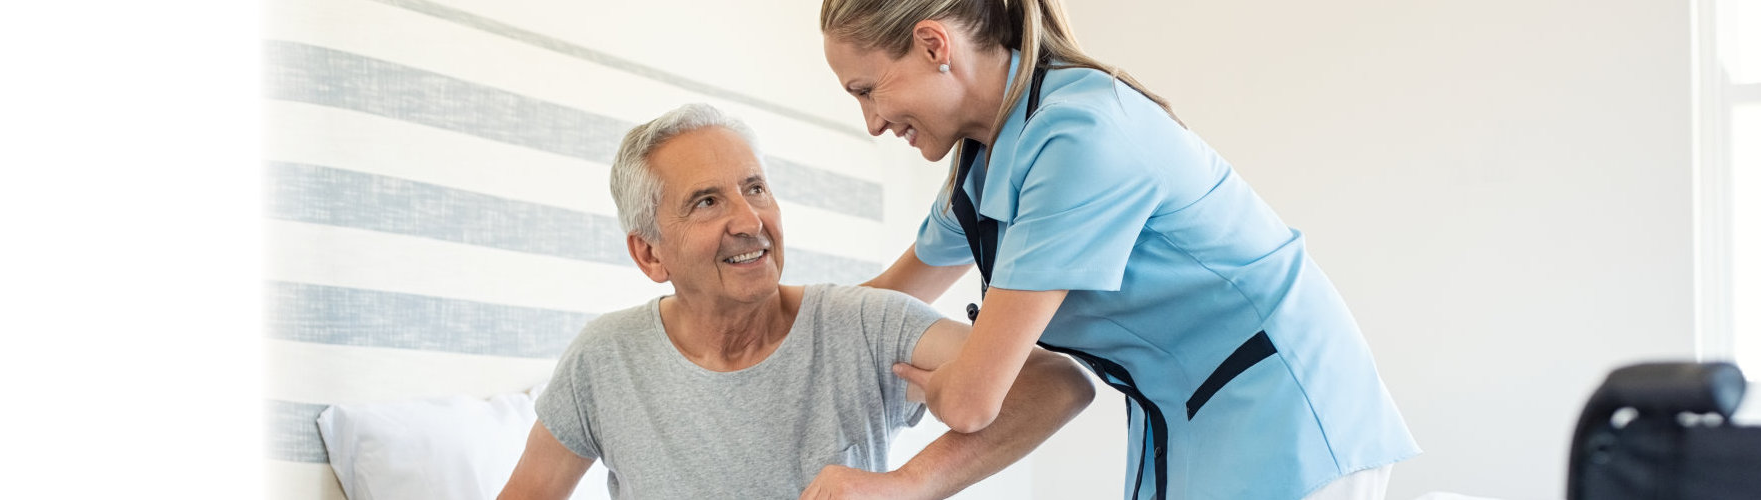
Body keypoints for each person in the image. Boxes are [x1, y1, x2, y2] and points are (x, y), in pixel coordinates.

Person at [819, 1, 1421, 499]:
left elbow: (974, 400)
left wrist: (944, 383)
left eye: (867, 90)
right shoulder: (983, 162)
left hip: (1284, 410)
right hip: (1181, 414)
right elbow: (883, 300)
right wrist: (756, 320)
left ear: (933, 46)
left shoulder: (1080, 134)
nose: (872, 121)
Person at [496, 103, 1094, 500]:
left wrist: (910, 484)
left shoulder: (862, 324)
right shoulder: (605, 359)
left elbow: (1055, 385)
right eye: (706, 202)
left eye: (755, 188)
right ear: (650, 254)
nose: (749, 219)